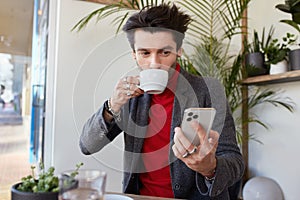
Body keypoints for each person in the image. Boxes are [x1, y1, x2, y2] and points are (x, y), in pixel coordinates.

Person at [80, 3, 244, 200]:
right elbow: (87, 146)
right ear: (134, 54)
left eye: (164, 52)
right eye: (145, 53)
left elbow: (235, 163)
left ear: (179, 50)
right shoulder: (129, 96)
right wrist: (111, 106)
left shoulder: (207, 90)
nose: (154, 62)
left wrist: (210, 168)